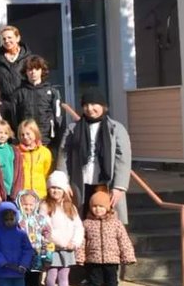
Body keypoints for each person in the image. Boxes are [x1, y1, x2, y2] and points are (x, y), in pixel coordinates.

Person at [56, 88, 133, 225]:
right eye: (86, 105)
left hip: (105, 183)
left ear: (103, 106)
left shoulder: (116, 128)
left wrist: (119, 187)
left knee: (107, 222)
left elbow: (123, 159)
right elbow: (64, 155)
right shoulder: (73, 128)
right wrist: (62, 181)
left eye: (93, 104)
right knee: (80, 220)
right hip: (80, 182)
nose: (90, 108)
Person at [78, 189, 136, 286]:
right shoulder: (86, 224)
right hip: (93, 259)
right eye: (94, 206)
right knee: (93, 284)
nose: (97, 209)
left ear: (107, 207)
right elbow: (82, 242)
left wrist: (128, 256)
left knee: (112, 283)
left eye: (101, 206)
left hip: (111, 260)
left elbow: (124, 240)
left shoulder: (116, 224)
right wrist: (80, 257)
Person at [42, 171, 84, 286]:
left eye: (59, 188)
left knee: (64, 275)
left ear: (64, 190)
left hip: (68, 248)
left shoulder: (70, 207)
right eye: (52, 187)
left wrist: (75, 242)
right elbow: (46, 227)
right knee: (52, 274)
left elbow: (78, 226)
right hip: (53, 247)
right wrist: (61, 242)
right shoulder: (45, 206)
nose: (55, 191)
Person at [13, 56, 63, 156]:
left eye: (36, 69)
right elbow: (15, 118)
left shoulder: (52, 92)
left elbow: (58, 118)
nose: (33, 72)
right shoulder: (19, 93)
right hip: (26, 142)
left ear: (42, 71)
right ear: (25, 72)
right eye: (30, 69)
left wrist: (57, 139)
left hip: (46, 141)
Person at [17, 188, 51, 286]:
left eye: (31, 204)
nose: (28, 207)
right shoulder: (18, 220)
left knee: (35, 284)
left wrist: (45, 255)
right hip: (22, 259)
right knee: (24, 285)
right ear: (20, 204)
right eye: (25, 204)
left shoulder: (40, 219)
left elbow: (47, 235)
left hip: (36, 258)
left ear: (36, 204)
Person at [0, 25, 31, 119]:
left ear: (18, 38)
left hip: (26, 104)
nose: (7, 41)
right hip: (7, 107)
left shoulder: (28, 59)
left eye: (9, 37)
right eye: (4, 39)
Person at [17, 119, 53, 199]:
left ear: (35, 133)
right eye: (22, 135)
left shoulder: (45, 152)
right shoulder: (16, 151)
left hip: (40, 194)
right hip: (22, 194)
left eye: (28, 134)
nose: (25, 137)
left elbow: (46, 172)